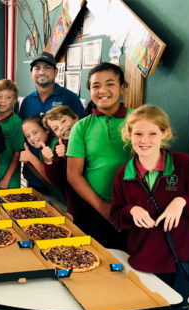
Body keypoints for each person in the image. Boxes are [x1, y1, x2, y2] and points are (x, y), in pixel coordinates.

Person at [107, 105, 189, 310]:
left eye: (152, 133)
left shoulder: (184, 165)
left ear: (165, 133)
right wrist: (132, 210)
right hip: (140, 261)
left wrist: (182, 201)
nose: (145, 140)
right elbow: (116, 216)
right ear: (128, 135)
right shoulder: (124, 175)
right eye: (138, 133)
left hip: (175, 263)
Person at [66, 62, 132, 250]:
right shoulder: (82, 126)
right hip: (93, 209)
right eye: (96, 86)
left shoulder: (139, 119)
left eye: (110, 84)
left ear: (122, 87)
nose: (102, 90)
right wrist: (103, 208)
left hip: (135, 209)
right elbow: (73, 174)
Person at [19, 51, 84, 193]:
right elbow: (24, 136)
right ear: (31, 73)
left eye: (47, 67)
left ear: (55, 72)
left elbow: (82, 131)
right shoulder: (27, 101)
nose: (41, 72)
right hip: (35, 176)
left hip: (63, 177)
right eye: (37, 68)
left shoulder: (70, 98)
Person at [41, 105, 79, 215]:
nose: (61, 128)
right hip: (74, 203)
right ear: (55, 134)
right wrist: (48, 162)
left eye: (63, 121)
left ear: (75, 118)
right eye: (56, 129)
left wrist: (68, 155)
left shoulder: (89, 137)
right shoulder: (59, 146)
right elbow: (57, 181)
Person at [0, 79, 25, 189]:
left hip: (9, 180)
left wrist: (6, 178)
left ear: (14, 100)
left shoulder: (17, 123)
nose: (2, 101)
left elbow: (18, 153)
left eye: (8, 97)